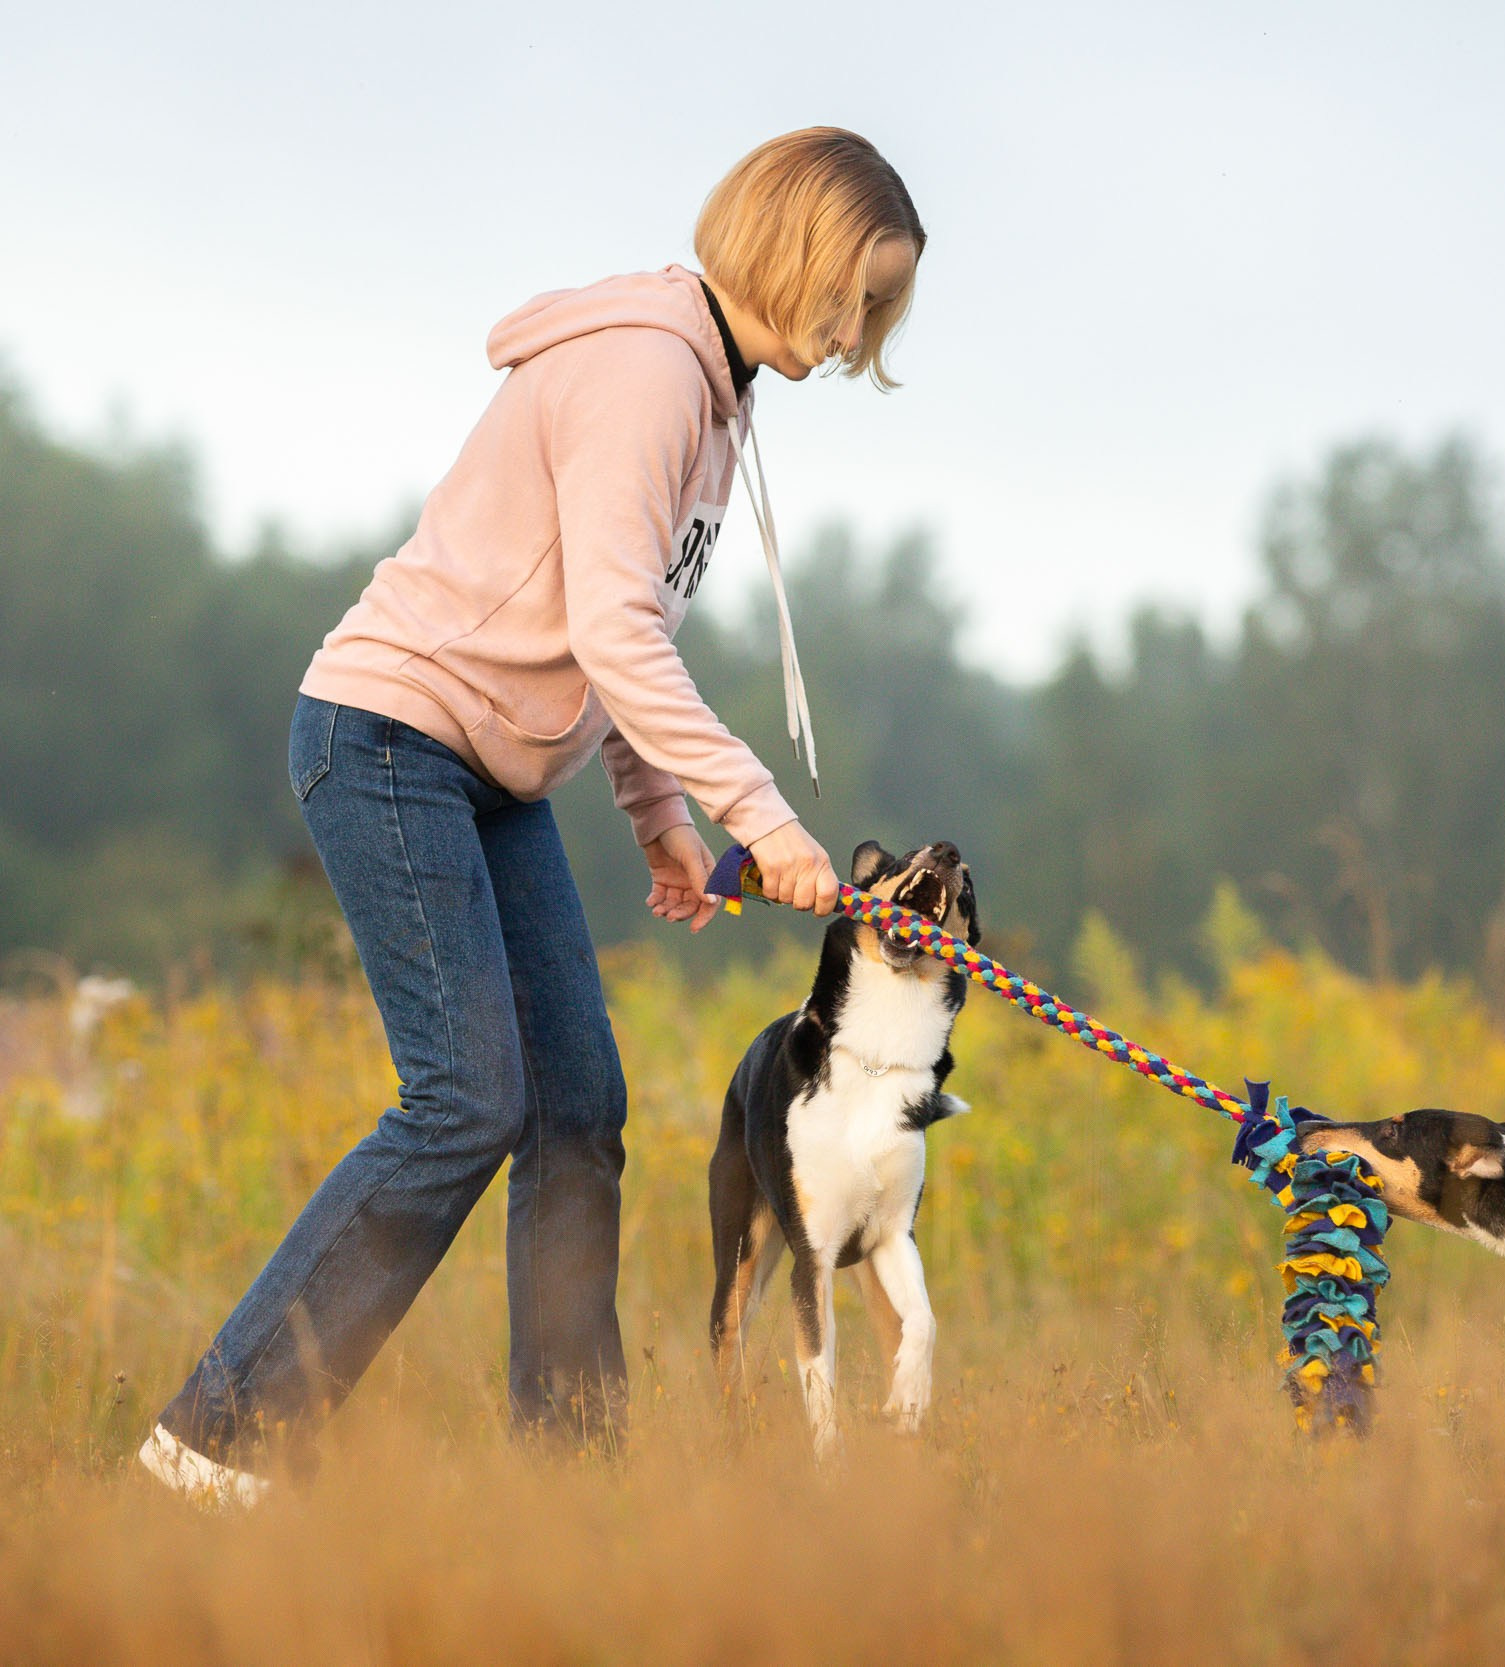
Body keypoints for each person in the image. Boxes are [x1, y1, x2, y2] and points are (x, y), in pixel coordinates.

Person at [139, 128, 924, 1503]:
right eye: (853, 295)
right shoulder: (647, 375)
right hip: (390, 737)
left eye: (879, 311)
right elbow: (615, 632)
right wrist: (763, 818)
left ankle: (568, 1485)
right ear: (790, 248)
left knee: (575, 1109)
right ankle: (214, 1448)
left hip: (492, 774)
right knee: (468, 1099)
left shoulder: (717, 397)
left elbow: (614, 623)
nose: (854, 335)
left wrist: (659, 811)